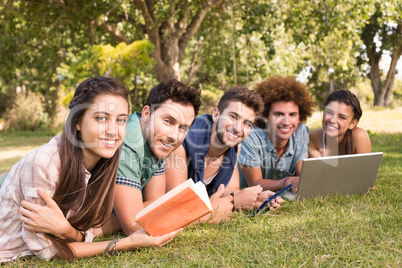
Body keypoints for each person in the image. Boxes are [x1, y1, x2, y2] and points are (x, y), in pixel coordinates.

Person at [0, 76, 180, 262]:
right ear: (78, 122)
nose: (113, 130)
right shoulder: (42, 162)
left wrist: (66, 230)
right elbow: (48, 251)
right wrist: (128, 243)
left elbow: (84, 231)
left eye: (121, 120)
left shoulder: (105, 162)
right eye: (101, 118)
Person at [166, 86, 283, 222]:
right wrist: (233, 201)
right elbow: (175, 206)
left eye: (247, 124)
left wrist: (254, 198)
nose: (238, 128)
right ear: (216, 115)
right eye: (233, 117)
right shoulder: (183, 141)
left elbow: (230, 188)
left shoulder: (234, 147)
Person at [111, 79, 202, 236]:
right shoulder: (130, 141)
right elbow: (133, 227)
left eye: (183, 127)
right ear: (146, 113)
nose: (174, 136)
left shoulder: (156, 140)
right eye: (168, 121)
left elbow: (156, 203)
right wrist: (199, 216)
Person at [238, 76, 314, 193]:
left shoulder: (301, 132)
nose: (286, 122)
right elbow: (254, 183)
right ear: (266, 116)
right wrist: (286, 181)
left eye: (292, 115)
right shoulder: (251, 136)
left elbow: (302, 177)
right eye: (278, 114)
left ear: (300, 117)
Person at [309, 90, 371, 157]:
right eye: (329, 112)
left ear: (352, 123)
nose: (332, 120)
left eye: (342, 117)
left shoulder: (359, 136)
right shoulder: (312, 138)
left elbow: (365, 167)